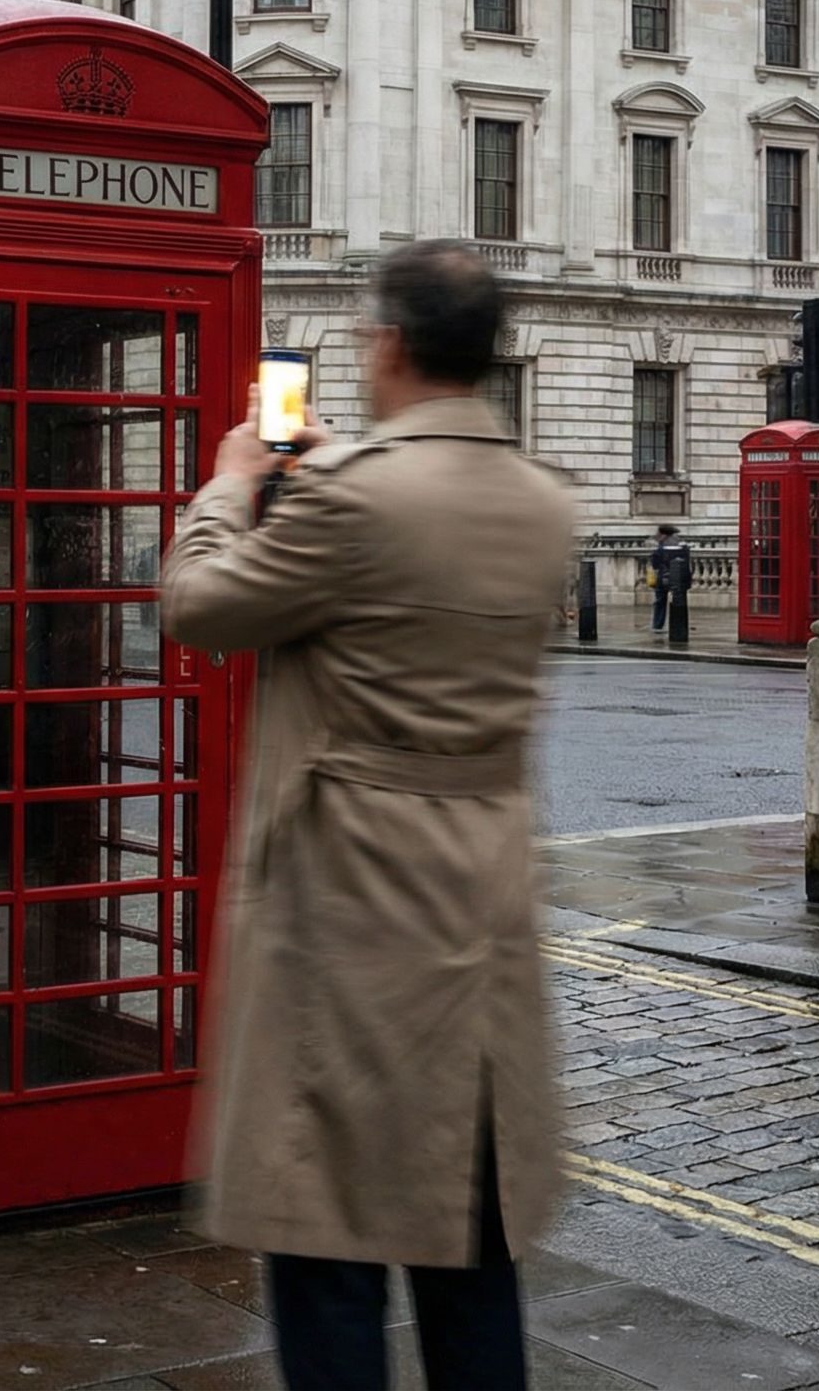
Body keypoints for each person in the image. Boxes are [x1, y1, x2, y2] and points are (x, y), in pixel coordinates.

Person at [161, 240, 573, 1390]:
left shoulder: (348, 502)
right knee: (467, 1236)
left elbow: (199, 606)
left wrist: (231, 483)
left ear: (387, 343)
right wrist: (349, 464)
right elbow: (414, 546)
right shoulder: (542, 502)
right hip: (483, 902)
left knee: (325, 1231)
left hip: (352, 905)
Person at [648, 524, 691, 632]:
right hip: (681, 577)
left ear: (663, 535)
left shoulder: (662, 547)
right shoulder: (682, 544)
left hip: (664, 577)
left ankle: (658, 625)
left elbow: (655, 563)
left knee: (660, 601)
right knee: (679, 602)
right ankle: (679, 626)